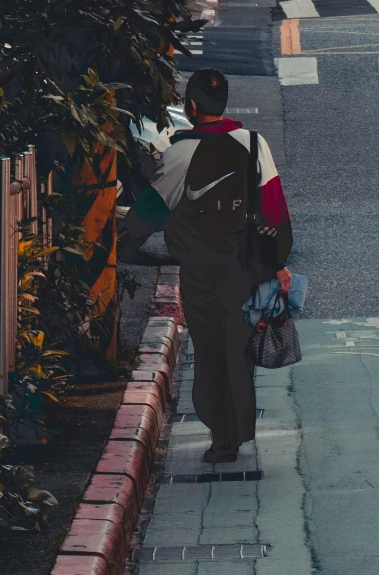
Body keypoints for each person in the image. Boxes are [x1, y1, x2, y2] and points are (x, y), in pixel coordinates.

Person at [121, 68, 293, 465]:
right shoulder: (253, 143)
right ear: (225, 102)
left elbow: (152, 210)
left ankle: (222, 436)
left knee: (210, 349)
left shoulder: (180, 153)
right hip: (245, 266)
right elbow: (274, 205)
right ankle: (237, 429)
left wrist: (121, 243)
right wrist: (277, 262)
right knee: (238, 348)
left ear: (192, 106)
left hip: (199, 269)